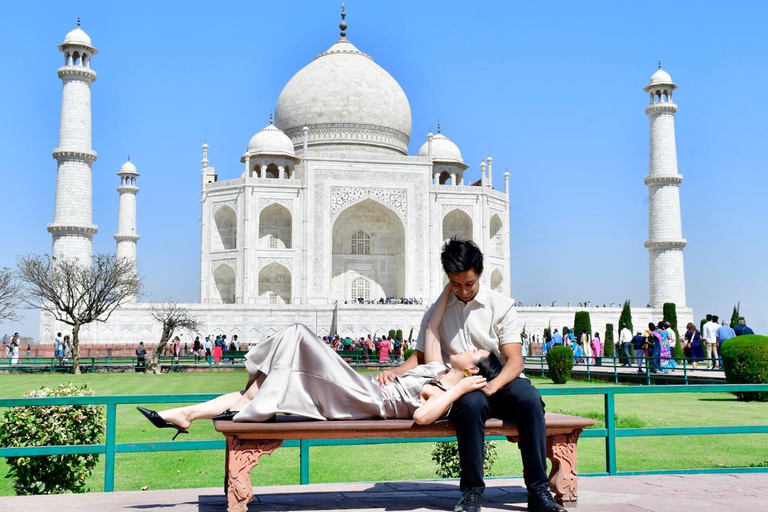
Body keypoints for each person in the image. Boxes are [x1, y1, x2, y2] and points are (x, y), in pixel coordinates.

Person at [137, 287, 498, 442]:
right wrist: (452, 286)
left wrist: (461, 390)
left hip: (362, 398)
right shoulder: (436, 369)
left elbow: (422, 416)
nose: (468, 347)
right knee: (253, 394)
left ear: (472, 371)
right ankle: (186, 414)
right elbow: (432, 325)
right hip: (359, 387)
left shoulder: (443, 390)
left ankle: (253, 404)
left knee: (297, 333)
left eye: (475, 353)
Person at [376, 239, 565, 512]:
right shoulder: (439, 310)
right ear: (448, 278)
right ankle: (471, 493)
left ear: (480, 273)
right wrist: (395, 371)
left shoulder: (500, 305)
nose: (463, 290)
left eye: (469, 283)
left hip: (501, 379)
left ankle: (538, 491)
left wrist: (494, 386)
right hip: (464, 386)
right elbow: (420, 356)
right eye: (456, 284)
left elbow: (515, 361)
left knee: (530, 399)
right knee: (471, 405)